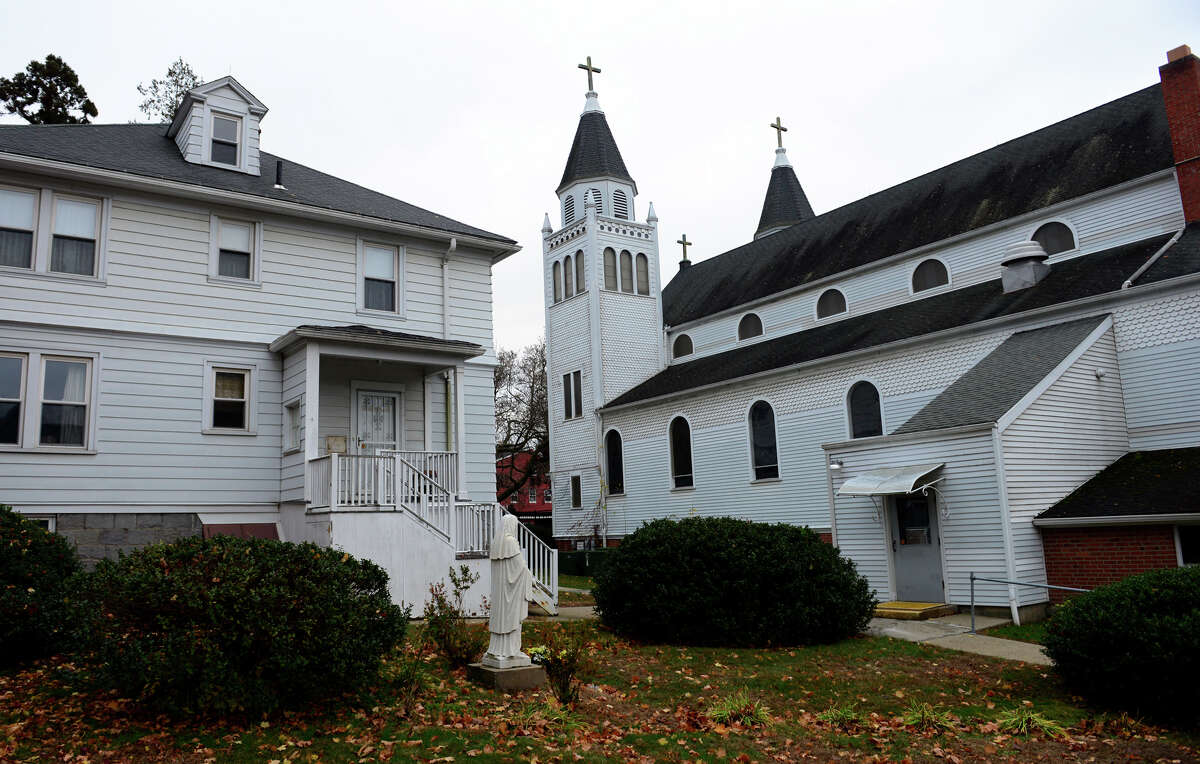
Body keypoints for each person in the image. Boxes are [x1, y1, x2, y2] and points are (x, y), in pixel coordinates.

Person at [482, 513, 532, 668]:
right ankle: (511, 651)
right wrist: (530, 577)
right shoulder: (510, 542)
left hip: (500, 593)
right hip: (511, 593)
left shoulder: (497, 543)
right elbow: (520, 566)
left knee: (501, 619)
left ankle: (497, 649)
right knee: (511, 619)